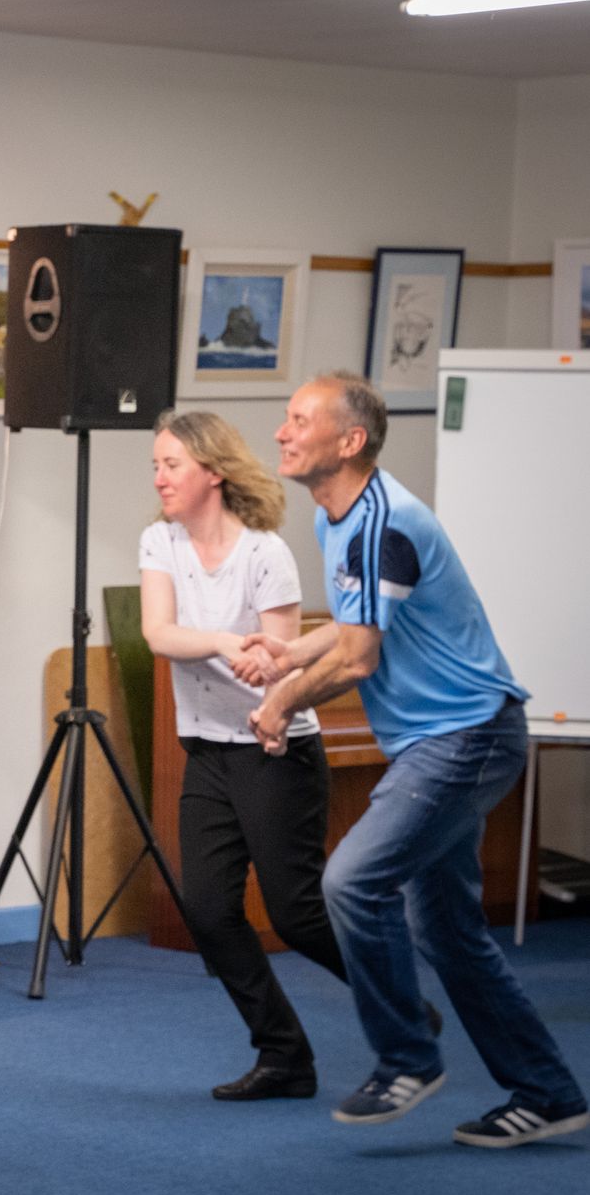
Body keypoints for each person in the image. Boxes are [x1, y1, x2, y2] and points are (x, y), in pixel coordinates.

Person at [244, 371, 586, 1146]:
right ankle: (548, 1091)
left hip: (465, 738)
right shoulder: (348, 516)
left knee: (352, 881)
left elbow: (361, 658)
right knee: (449, 933)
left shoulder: (380, 521)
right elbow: (360, 618)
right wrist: (293, 650)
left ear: (349, 441)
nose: (282, 433)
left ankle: (407, 1056)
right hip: (445, 740)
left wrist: (283, 699)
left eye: (300, 420)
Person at [138, 409, 348, 1101]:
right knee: (208, 909)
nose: (160, 477)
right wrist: (228, 644)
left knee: (295, 915)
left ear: (213, 472)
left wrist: (267, 686)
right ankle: (285, 1056)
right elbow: (160, 634)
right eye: (157, 465)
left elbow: (282, 663)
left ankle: (398, 992)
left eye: (172, 464)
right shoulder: (159, 543)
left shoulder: (264, 553)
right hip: (208, 753)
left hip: (274, 749)